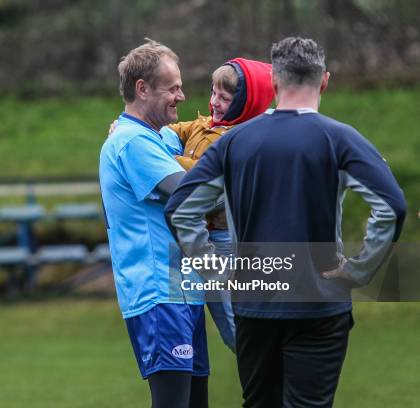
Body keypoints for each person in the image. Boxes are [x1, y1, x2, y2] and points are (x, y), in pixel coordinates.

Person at [165, 37, 406, 408]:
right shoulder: (340, 139)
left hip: (254, 305)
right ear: (324, 81)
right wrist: (359, 271)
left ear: (274, 83)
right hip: (319, 303)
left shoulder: (234, 143)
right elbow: (391, 205)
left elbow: (181, 210)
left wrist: (216, 270)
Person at [109, 57, 274, 352]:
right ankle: (258, 360)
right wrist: (131, 131)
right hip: (201, 239)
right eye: (213, 93)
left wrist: (163, 162)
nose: (214, 103)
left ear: (246, 104)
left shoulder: (241, 139)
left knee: (234, 318)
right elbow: (169, 132)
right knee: (222, 317)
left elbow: (203, 177)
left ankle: (262, 362)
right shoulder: (207, 125)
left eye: (224, 98)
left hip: (224, 240)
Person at [99, 39, 209, 408]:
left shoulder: (157, 137)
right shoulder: (132, 142)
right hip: (159, 292)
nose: (181, 95)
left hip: (184, 290)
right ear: (142, 89)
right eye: (172, 88)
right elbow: (192, 191)